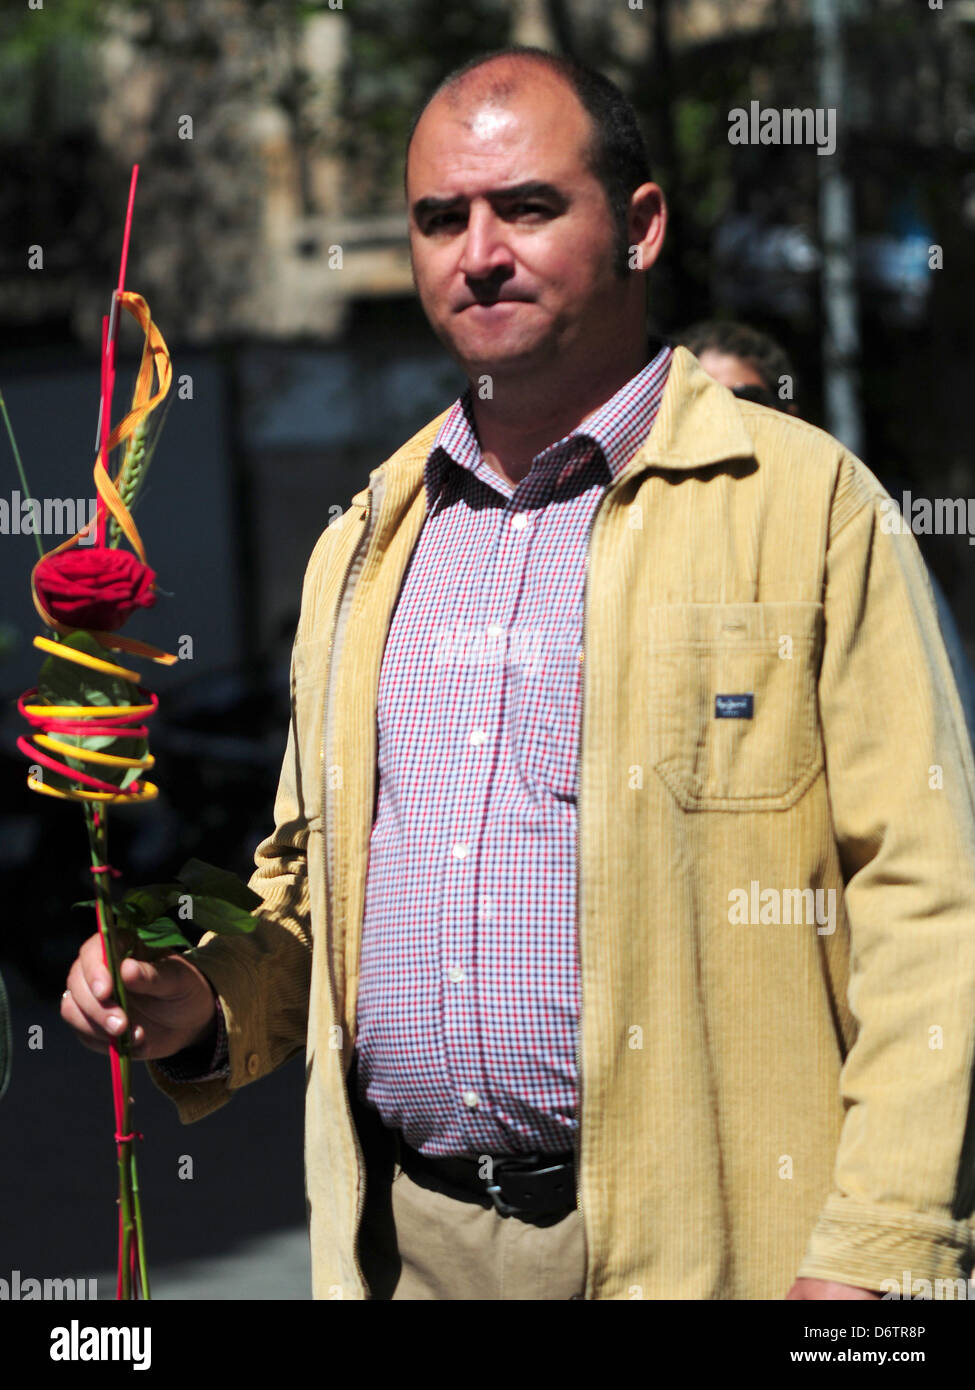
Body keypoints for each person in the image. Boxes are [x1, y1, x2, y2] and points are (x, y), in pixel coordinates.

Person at [61, 45, 975, 1301]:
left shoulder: (808, 508)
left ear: (641, 225)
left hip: (721, 1252)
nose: (478, 250)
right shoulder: (365, 541)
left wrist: (871, 1252)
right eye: (442, 218)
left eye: (527, 206)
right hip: (414, 1253)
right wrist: (194, 993)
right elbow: (306, 896)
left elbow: (930, 903)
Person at [680, 317, 975, 756]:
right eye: (697, 401)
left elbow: (942, 728)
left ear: (789, 415)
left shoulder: (849, 531)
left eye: (746, 400)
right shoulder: (635, 541)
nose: (723, 417)